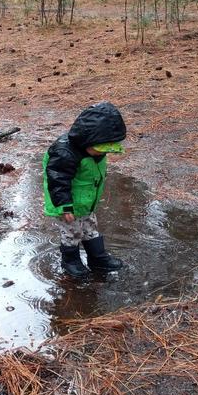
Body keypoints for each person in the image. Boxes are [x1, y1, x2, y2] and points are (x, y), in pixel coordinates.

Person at [42, 102, 126, 277]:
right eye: (101, 148)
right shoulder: (65, 153)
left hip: (86, 202)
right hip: (67, 204)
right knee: (72, 233)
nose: (103, 153)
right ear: (88, 139)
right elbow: (58, 180)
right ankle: (70, 261)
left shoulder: (94, 152)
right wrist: (64, 206)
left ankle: (98, 258)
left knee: (90, 228)